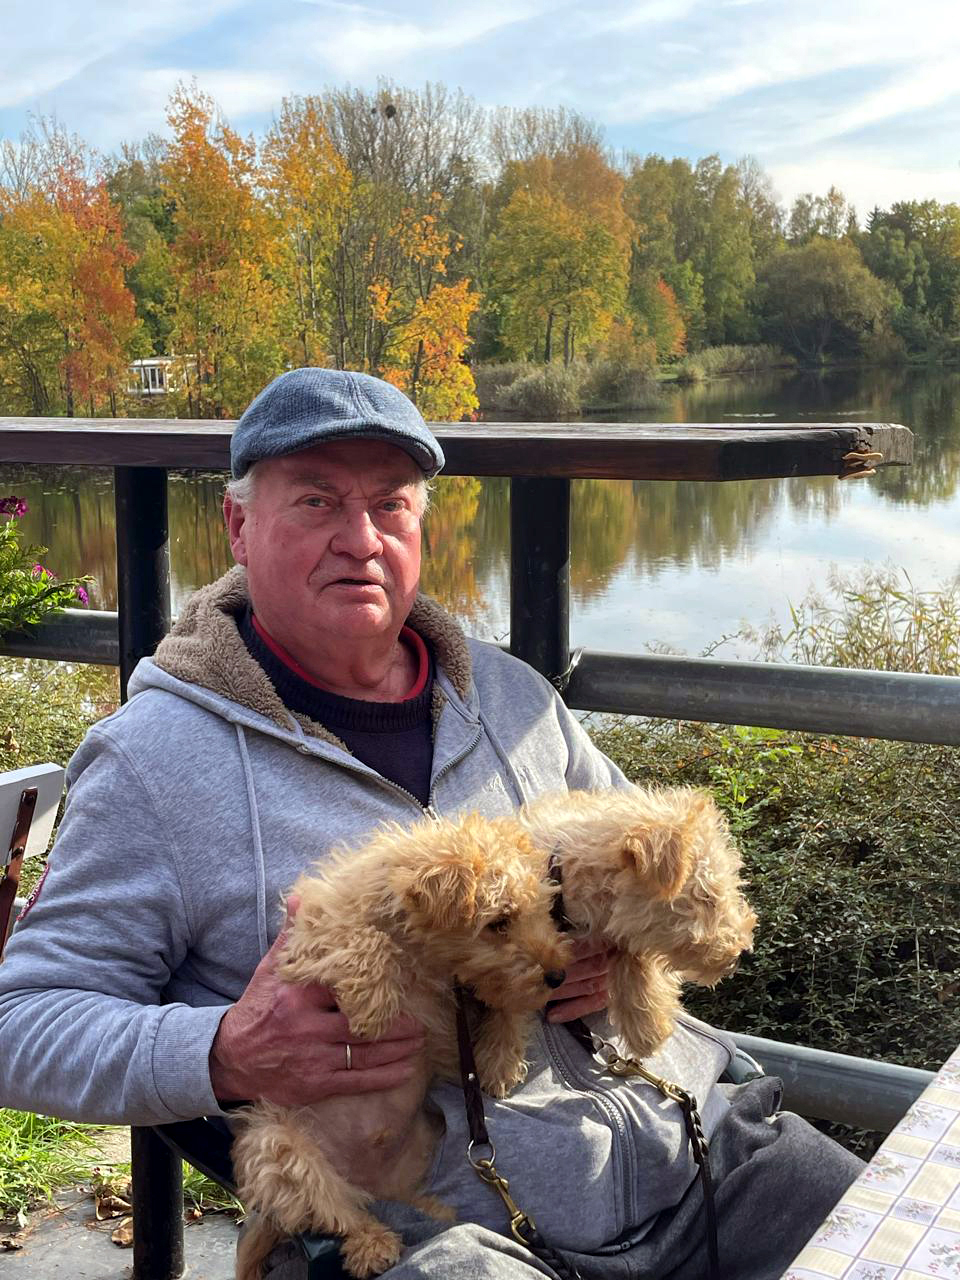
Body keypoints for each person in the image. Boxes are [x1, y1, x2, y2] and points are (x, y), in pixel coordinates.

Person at [0, 368, 862, 1280]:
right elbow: (22, 1024)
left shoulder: (515, 698)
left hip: (698, 1148)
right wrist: (226, 1052)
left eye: (390, 505)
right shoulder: (152, 761)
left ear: (422, 528)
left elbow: (647, 883)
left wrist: (611, 949)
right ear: (239, 527)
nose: (360, 538)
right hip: (449, 1232)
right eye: (318, 501)